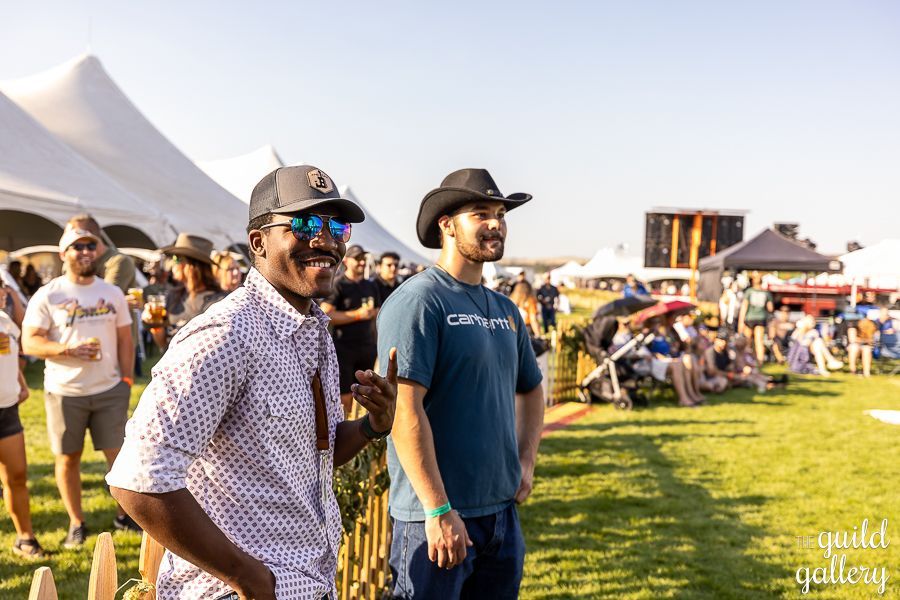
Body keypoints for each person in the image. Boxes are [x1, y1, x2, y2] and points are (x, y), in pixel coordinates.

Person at [107, 165, 398, 599]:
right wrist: (245, 576)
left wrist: (373, 426)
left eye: (337, 226)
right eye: (303, 223)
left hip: (310, 584)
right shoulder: (225, 336)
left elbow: (310, 456)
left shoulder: (314, 329)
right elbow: (138, 479)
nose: (325, 239)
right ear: (258, 243)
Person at [377, 168, 544, 598]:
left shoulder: (506, 309)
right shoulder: (419, 301)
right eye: (480, 213)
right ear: (447, 225)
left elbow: (531, 388)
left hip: (501, 516)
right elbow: (403, 411)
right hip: (434, 519)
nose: (496, 223)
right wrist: (437, 506)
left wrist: (526, 461)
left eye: (500, 214)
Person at [21, 227, 137, 547]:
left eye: (90, 245)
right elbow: (30, 342)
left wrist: (126, 378)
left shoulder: (112, 293)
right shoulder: (48, 294)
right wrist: (67, 351)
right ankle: (76, 522)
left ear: (98, 251)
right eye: (77, 247)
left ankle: (124, 515)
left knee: (120, 458)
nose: (85, 251)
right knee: (68, 458)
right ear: (64, 254)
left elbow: (126, 339)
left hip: (109, 389)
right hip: (64, 391)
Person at [0, 286, 44, 558]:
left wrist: (21, 383)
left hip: (7, 409)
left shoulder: (5, 322)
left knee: (16, 476)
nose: (2, 293)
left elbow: (11, 357)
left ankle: (25, 537)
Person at [321, 245, 381, 411]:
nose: (362, 263)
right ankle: (344, 426)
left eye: (363, 259)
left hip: (367, 345)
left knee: (368, 392)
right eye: (358, 259)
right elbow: (326, 314)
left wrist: (373, 313)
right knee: (345, 396)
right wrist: (357, 315)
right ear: (346, 261)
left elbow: (376, 311)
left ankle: (364, 429)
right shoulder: (338, 284)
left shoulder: (371, 285)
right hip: (344, 349)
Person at [146, 233, 226, 351]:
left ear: (192, 265)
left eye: (176, 258)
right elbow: (163, 344)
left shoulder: (219, 301)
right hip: (173, 366)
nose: (173, 264)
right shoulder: (173, 296)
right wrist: (155, 325)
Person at [738, 271, 773, 365]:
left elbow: (744, 307)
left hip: (749, 318)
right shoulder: (766, 293)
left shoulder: (749, 292)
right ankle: (760, 361)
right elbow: (770, 308)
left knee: (747, 341)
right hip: (760, 318)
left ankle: (746, 361)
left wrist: (740, 322)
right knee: (759, 341)